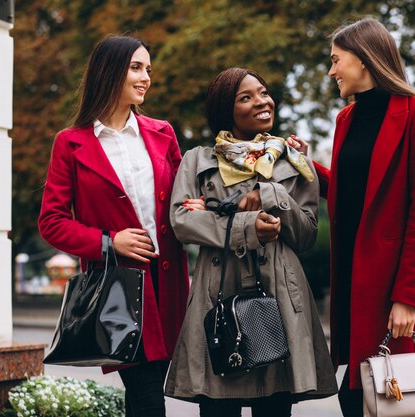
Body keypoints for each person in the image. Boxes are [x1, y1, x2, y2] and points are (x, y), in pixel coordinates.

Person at [287, 17, 415, 416]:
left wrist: (407, 298)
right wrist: (304, 165)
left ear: (363, 60)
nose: (331, 70)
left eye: (336, 60)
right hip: (355, 279)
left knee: (393, 395)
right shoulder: (347, 119)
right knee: (358, 394)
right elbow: (348, 191)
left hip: (394, 284)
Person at [38, 35, 201, 417]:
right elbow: (52, 222)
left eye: (148, 69)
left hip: (168, 279)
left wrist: (200, 205)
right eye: (136, 68)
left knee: (149, 387)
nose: (146, 77)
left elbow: (182, 199)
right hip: (118, 286)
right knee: (145, 389)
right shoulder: (70, 143)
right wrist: (109, 242)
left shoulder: (163, 133)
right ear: (110, 71)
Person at [164, 67, 338, 417]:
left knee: (275, 404)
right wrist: (247, 228)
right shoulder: (197, 159)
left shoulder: (293, 161)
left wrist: (271, 193)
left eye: (263, 92)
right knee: (216, 405)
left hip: (280, 296)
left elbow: (305, 235)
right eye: (246, 97)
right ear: (225, 110)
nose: (262, 102)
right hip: (219, 292)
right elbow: (182, 220)